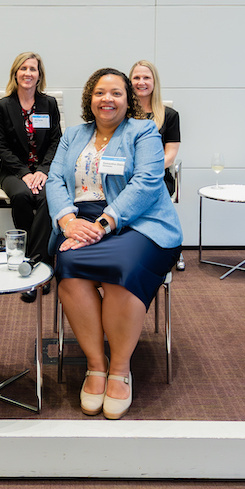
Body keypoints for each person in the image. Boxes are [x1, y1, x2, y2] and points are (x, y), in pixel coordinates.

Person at [46, 68, 183, 420]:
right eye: (100, 92)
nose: (107, 99)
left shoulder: (144, 131)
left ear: (129, 100)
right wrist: (68, 221)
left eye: (116, 93)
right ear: (89, 98)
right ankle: (96, 365)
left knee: (121, 268)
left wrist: (104, 223)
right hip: (81, 220)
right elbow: (55, 181)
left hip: (142, 222)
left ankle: (120, 369)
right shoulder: (73, 135)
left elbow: (147, 184)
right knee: (70, 266)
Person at [0, 52, 63, 300]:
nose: (27, 73)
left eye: (32, 69)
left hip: (45, 171)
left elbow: (56, 141)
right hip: (13, 172)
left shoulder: (49, 104)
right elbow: (0, 146)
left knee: (47, 199)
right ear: (15, 73)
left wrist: (42, 171)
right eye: (23, 69)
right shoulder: (4, 106)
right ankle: (36, 261)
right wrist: (25, 173)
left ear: (39, 75)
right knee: (22, 197)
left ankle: (35, 264)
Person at [130, 60, 185, 271]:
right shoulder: (121, 114)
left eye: (146, 78)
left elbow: (170, 156)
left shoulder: (169, 115)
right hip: (124, 176)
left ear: (154, 82)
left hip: (156, 176)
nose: (141, 82)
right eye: (136, 77)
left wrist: (145, 172)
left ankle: (167, 248)